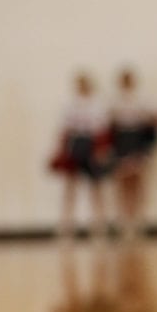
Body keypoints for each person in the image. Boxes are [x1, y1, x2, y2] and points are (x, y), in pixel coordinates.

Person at [49, 72, 113, 237]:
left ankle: (99, 225)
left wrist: (101, 150)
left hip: (91, 143)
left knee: (95, 186)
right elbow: (64, 129)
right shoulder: (70, 104)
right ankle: (66, 225)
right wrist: (61, 150)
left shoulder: (98, 103)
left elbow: (102, 129)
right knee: (70, 186)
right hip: (75, 143)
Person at [110, 67, 157, 236]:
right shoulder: (113, 100)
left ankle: (139, 220)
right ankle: (124, 221)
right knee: (122, 181)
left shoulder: (143, 99)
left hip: (137, 141)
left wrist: (146, 117)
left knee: (138, 181)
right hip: (121, 142)